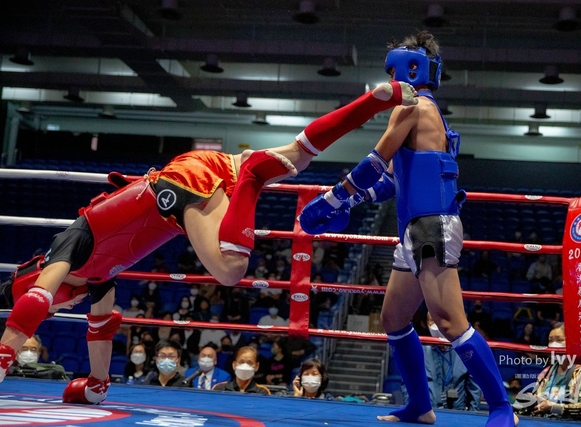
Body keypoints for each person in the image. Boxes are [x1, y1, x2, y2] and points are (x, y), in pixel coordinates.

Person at [0, 79, 416, 403]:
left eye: (57, 306)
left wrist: (4, 356)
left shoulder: (65, 248)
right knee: (299, 154)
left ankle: (252, 176)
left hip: (179, 187)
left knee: (230, 270)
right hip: (196, 173)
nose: (60, 308)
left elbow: (34, 300)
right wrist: (95, 383)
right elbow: (101, 328)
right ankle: (376, 100)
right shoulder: (98, 280)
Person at [299, 30, 516, 426]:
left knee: (450, 322)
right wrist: (348, 201)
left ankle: (502, 407)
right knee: (395, 319)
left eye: (394, 70)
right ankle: (420, 406)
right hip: (415, 230)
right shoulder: (426, 111)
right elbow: (388, 182)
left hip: (431, 227)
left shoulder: (411, 108)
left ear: (411, 69)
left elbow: (372, 164)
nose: (391, 78)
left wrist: (332, 198)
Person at [519, 323, 581, 419]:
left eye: (559, 340)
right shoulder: (546, 372)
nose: (553, 344)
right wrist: (533, 400)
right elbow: (539, 402)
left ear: (572, 342)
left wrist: (553, 408)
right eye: (550, 340)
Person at [422, 315, 481, 411]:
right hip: (428, 413)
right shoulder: (420, 351)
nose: (437, 324)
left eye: (441, 319)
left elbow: (474, 388)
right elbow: (409, 386)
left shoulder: (464, 352)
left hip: (458, 413)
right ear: (427, 323)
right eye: (433, 320)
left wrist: (472, 415)